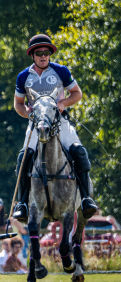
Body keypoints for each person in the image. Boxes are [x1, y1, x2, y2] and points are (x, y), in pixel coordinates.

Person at [12, 34, 98, 223]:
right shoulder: (23, 76)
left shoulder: (60, 71)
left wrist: (63, 103)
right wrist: (29, 113)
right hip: (36, 125)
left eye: (46, 52)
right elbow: (18, 104)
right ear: (32, 55)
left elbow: (77, 93)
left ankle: (85, 198)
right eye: (39, 53)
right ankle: (23, 204)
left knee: (80, 152)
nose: (43, 56)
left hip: (60, 123)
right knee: (23, 157)